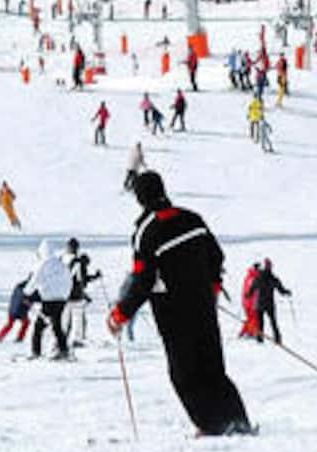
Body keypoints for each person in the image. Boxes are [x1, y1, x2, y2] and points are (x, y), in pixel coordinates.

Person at [107, 171, 252, 436]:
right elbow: (215, 255)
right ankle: (238, 421)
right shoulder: (192, 218)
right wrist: (213, 285)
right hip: (204, 305)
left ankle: (212, 426)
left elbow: (143, 278)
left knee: (185, 374)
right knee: (213, 369)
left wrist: (120, 313)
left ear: (140, 198)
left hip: (173, 313)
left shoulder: (146, 232)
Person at [26, 239, 72, 360]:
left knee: (39, 327)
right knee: (57, 326)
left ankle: (36, 352)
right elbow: (69, 281)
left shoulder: (42, 265)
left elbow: (34, 281)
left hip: (48, 300)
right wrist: (65, 295)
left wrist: (26, 293)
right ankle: (64, 350)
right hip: (61, 300)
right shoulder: (61, 265)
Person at [248, 260, 292, 345]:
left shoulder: (259, 277)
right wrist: (287, 292)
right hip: (269, 304)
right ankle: (277, 338)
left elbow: (252, 289)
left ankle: (260, 338)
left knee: (260, 322)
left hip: (260, 304)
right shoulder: (273, 278)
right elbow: (281, 290)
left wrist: (248, 295)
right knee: (273, 321)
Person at [65, 239, 96, 345]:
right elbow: (81, 280)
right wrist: (94, 277)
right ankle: (77, 340)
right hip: (76, 296)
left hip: (64, 295)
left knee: (66, 320)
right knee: (78, 319)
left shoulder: (62, 259)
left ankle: (62, 340)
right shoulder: (78, 262)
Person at [0, 279, 33, 343]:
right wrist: (26, 301)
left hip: (15, 309)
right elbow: (23, 298)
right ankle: (18, 338)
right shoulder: (23, 289)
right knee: (24, 322)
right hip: (18, 310)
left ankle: (0, 336)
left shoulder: (21, 287)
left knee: (12, 324)